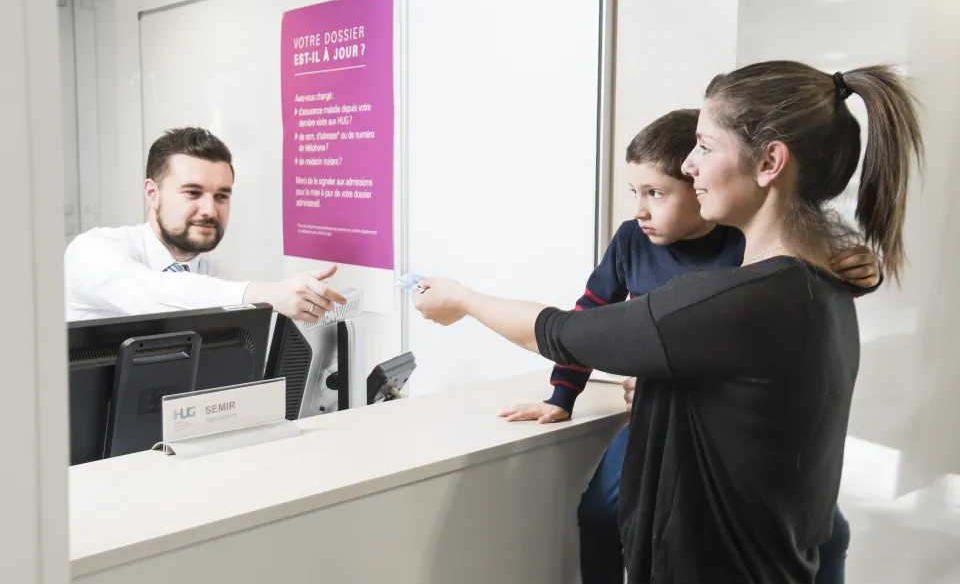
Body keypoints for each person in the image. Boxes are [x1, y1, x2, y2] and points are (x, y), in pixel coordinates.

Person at [413, 61, 923, 583]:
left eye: (704, 146)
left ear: (770, 161)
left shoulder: (739, 301)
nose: (690, 165)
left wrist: (463, 298)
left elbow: (563, 333)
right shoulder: (823, 284)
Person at [497, 109, 880, 584]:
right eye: (634, 192)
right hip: (660, 416)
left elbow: (802, 297)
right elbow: (587, 318)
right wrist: (561, 397)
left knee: (828, 530)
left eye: (656, 193)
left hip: (733, 428)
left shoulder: (748, 248)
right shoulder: (632, 241)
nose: (639, 209)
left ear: (700, 188)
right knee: (599, 515)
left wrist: (863, 275)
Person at [65, 127, 345, 322]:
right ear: (152, 193)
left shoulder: (221, 278)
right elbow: (153, 293)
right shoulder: (91, 252)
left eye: (221, 196)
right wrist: (267, 295)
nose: (210, 210)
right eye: (192, 193)